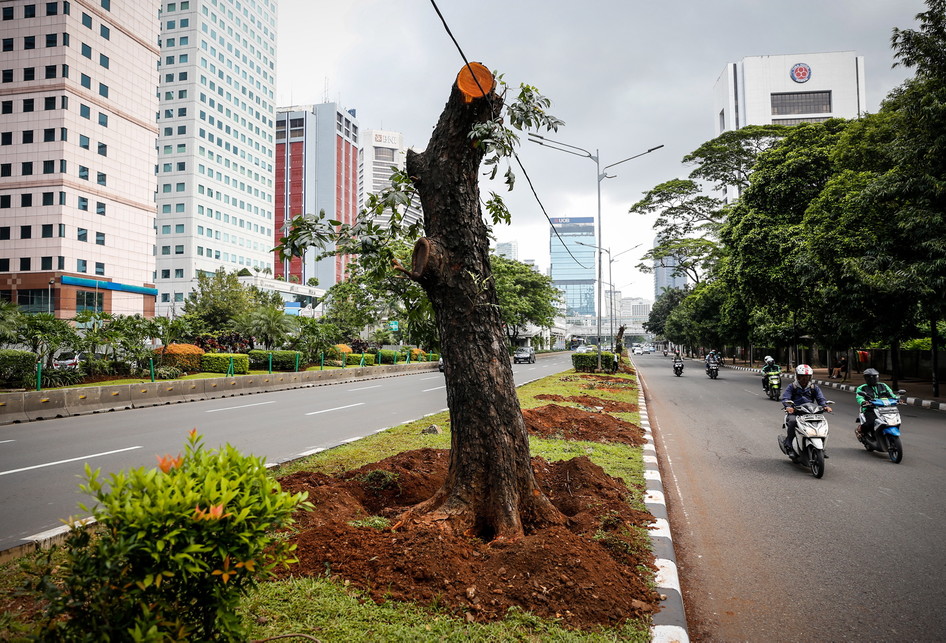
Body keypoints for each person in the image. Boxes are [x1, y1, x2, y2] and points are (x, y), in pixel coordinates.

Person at [781, 364, 832, 456]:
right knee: (792, 422)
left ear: (810, 377)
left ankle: (821, 448)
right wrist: (788, 407)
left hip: (810, 412)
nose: (804, 379)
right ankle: (789, 445)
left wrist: (825, 406)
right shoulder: (792, 387)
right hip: (796, 412)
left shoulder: (814, 387)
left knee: (822, 424)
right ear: (797, 376)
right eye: (802, 377)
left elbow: (820, 398)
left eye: (807, 377)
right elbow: (785, 398)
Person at [855, 368, 897, 438]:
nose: (874, 379)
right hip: (870, 409)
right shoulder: (862, 388)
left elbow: (891, 394)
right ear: (866, 378)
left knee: (894, 421)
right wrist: (863, 402)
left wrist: (898, 399)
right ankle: (860, 429)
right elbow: (859, 397)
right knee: (871, 423)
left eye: (875, 376)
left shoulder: (883, 385)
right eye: (871, 377)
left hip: (885, 408)